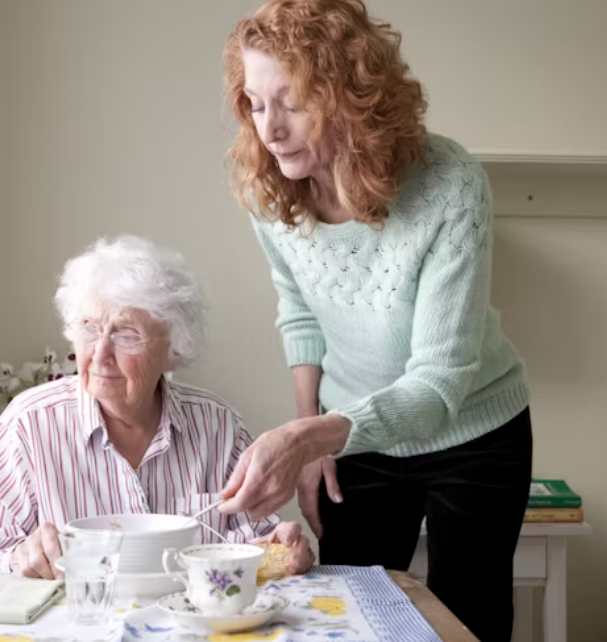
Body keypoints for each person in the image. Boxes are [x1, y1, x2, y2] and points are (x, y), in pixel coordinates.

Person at [216, 2, 533, 640]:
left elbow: (441, 382)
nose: (270, 130)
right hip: (352, 438)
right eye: (255, 103)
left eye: (293, 102)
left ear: (354, 97)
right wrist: (312, 437)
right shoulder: (270, 193)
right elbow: (299, 308)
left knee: (468, 621)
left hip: (474, 433)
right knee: (351, 616)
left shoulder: (449, 183)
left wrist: (311, 438)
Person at [0, 235, 314, 579]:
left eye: (127, 335)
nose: (100, 355)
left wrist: (279, 549)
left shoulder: (218, 426)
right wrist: (18, 558)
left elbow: (251, 544)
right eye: (90, 329)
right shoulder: (28, 425)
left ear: (173, 349)